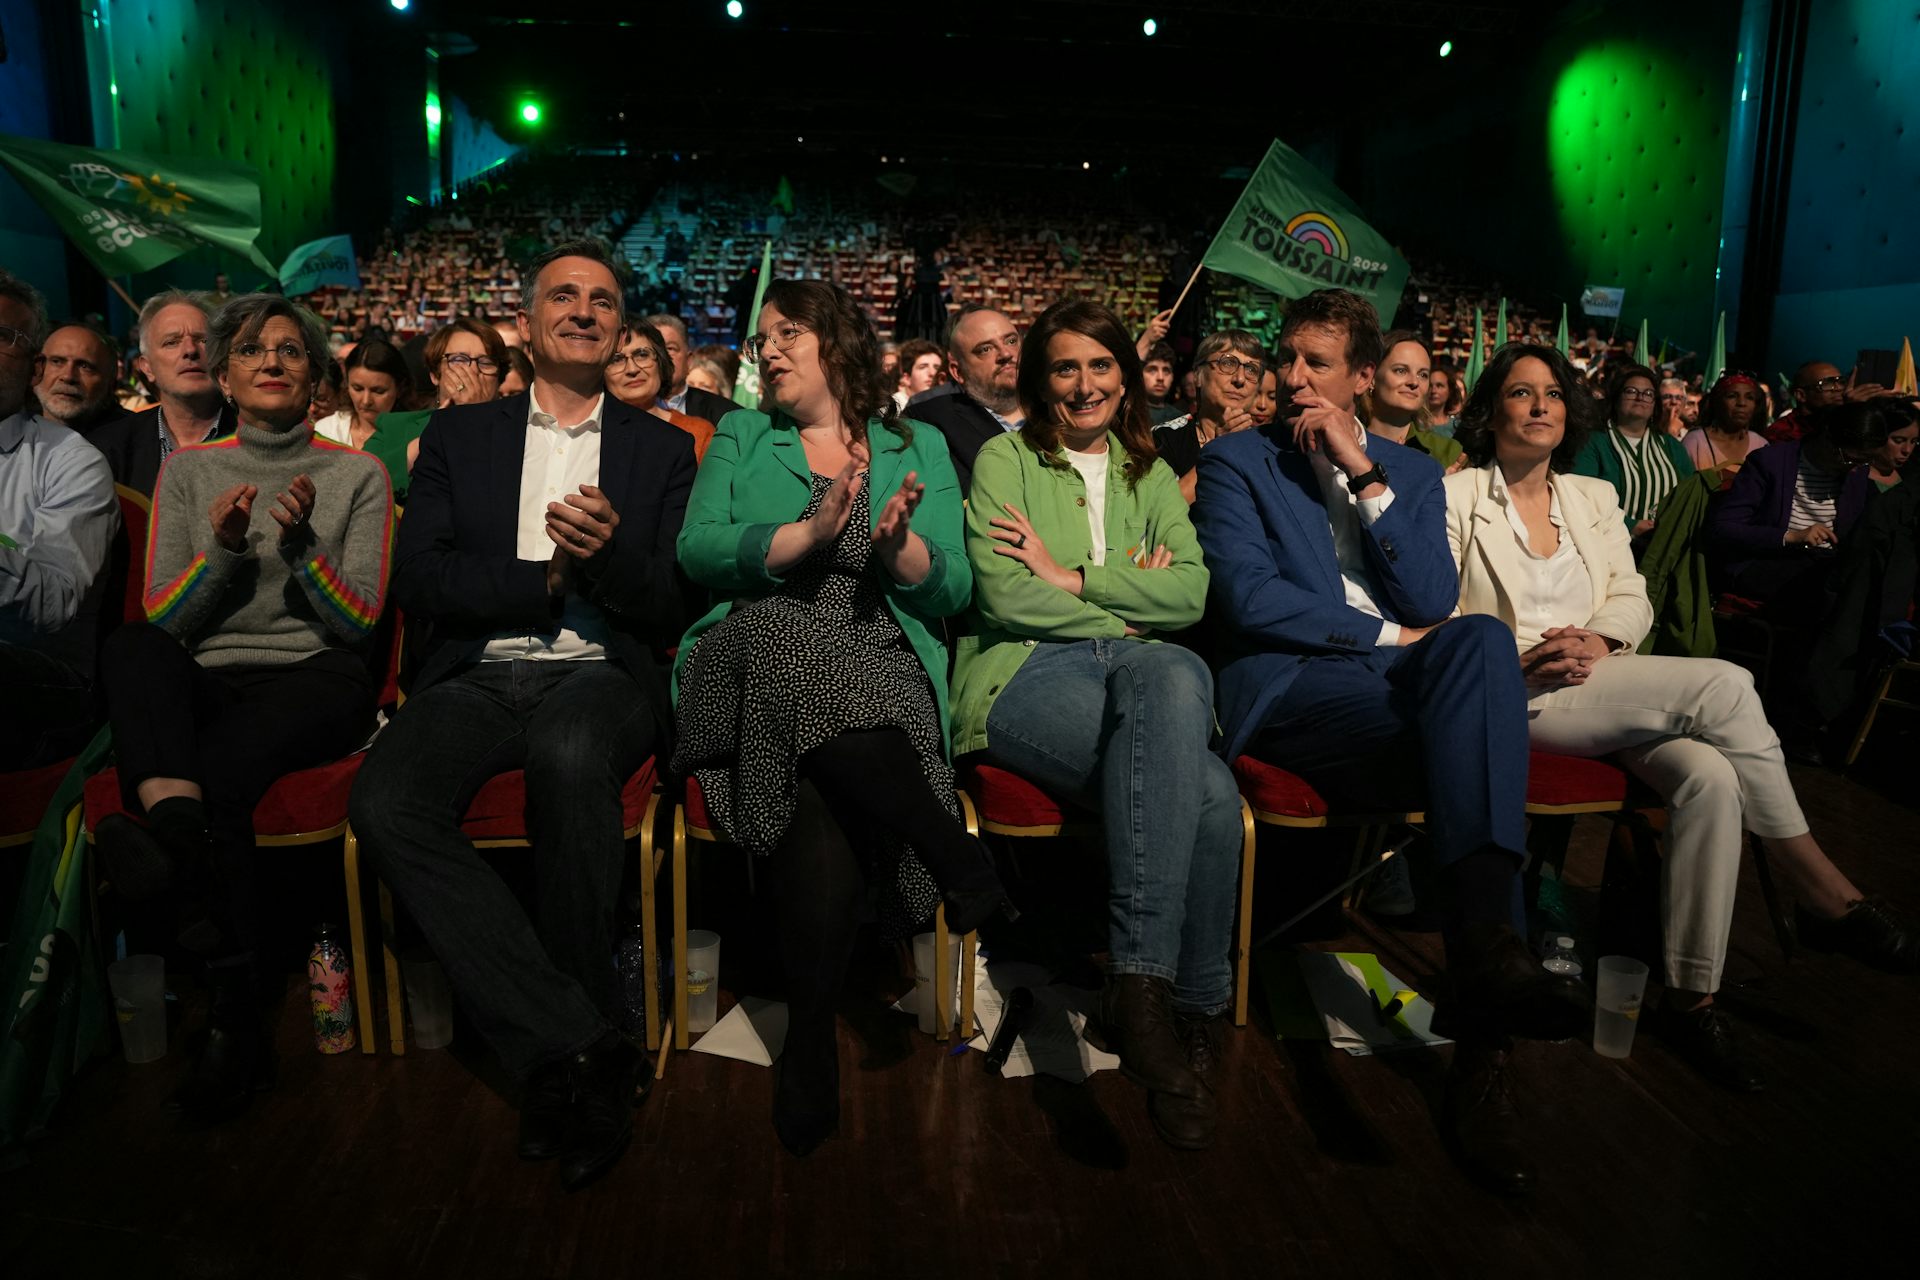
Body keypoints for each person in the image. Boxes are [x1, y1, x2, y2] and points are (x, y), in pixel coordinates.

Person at [1192, 288, 1586, 1196]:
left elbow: (1431, 603)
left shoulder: (1410, 475)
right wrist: (1385, 642)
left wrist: (1363, 472)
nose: (1290, 378)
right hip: (1299, 689)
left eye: (1315, 364)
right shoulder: (1236, 464)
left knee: (1480, 637)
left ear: (1363, 379)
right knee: (1478, 746)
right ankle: (1488, 991)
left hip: (1401, 697)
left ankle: (1483, 966)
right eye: (1285, 357)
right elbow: (1252, 603)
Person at [1443, 342, 1918, 1091]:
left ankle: (1693, 998)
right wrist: (1522, 655)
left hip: (1603, 672)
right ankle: (1823, 892)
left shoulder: (1591, 497)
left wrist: (1598, 636)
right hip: (1516, 688)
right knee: (1726, 684)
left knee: (1711, 779)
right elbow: (1440, 612)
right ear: (1489, 409)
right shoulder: (1457, 493)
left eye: (1553, 395)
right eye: (1520, 393)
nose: (1540, 406)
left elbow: (1635, 595)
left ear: (1569, 415)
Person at [350, 240, 695, 1191]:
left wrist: (610, 558)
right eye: (565, 296)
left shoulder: (662, 448)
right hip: (475, 670)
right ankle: (581, 1045)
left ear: (622, 329)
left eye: (603, 301)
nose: (585, 311)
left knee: (571, 755)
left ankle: (559, 1070)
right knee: (385, 801)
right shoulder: (462, 437)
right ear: (530, 323)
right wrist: (540, 578)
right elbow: (421, 578)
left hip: (602, 673)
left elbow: (670, 602)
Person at [674, 279, 992, 1158]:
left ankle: (808, 1045)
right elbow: (699, 550)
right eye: (763, 339)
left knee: (820, 786)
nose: (768, 351)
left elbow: (956, 587)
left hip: (880, 664)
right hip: (745, 661)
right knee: (781, 630)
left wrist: (898, 550)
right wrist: (808, 538)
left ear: (838, 346)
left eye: (788, 334)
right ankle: (953, 851)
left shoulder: (914, 441)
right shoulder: (744, 434)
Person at [93, 293, 390, 1121]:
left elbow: (358, 623)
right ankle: (184, 848)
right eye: (253, 351)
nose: (270, 363)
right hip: (211, 673)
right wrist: (224, 553)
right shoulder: (187, 471)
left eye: (290, 352)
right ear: (223, 374)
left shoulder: (356, 473)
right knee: (130, 648)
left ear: (316, 379)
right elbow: (164, 620)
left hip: (318, 678)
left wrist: (300, 553)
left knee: (217, 765)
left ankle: (233, 1018)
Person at [952, 299, 1238, 1151]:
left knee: (1216, 794)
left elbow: (1190, 593)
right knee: (1171, 668)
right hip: (1019, 674)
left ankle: (1175, 1010)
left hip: (1134, 678)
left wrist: (1074, 579)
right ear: (1042, 380)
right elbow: (1005, 595)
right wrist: (1123, 611)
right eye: (1066, 368)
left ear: (1128, 374)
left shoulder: (1150, 473)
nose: (1085, 385)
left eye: (1101, 365)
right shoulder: (1007, 460)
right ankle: (1166, 995)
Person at [0, 270, 120, 768]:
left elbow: (54, 603)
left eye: (3, 335)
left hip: (42, 677)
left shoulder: (70, 461)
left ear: (32, 369)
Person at [84, 291, 236, 496]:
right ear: (147, 368)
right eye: (172, 342)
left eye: (203, 340)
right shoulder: (109, 448)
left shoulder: (261, 437)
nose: (190, 350)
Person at [338, 318, 507, 502]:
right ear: (435, 374)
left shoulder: (515, 432)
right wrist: (438, 432)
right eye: (459, 360)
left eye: (486, 362)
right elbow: (359, 483)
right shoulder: (394, 426)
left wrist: (475, 419)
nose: (472, 371)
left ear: (500, 377)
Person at [1570, 363, 1695, 546]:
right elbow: (1580, 497)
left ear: (1654, 405)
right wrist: (1631, 525)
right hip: (1609, 544)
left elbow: (1691, 495)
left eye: (1648, 394)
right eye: (1631, 391)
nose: (1640, 398)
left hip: (1666, 547)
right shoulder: (1594, 442)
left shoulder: (1671, 446)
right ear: (1616, 398)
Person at [909, 306, 1025, 491]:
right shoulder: (929, 421)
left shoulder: (1061, 411)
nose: (1005, 354)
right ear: (958, 371)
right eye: (985, 349)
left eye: (1011, 341)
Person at [1153, 330, 1263, 503]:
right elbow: (1160, 512)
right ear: (1198, 376)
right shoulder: (1165, 438)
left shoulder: (1268, 448)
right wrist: (1218, 451)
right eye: (1227, 363)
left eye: (1251, 369)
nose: (1240, 379)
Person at [605, 321, 715, 462]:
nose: (632, 369)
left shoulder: (698, 434)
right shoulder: (590, 432)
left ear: (661, 362)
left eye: (642, 355)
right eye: (617, 359)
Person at [1366, 330, 1464, 471]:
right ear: (1371, 377)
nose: (1414, 382)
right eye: (1401, 370)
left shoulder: (1447, 452)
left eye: (1423, 375)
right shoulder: (1344, 443)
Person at [315, 338, 410, 454]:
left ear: (400, 388)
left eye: (378, 391)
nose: (366, 401)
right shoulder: (327, 431)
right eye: (357, 389)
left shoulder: (414, 438)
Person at [644, 312, 736, 425]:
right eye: (653, 349)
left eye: (670, 348)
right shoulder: (625, 408)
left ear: (689, 361)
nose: (662, 355)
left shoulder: (727, 415)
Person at [30, 324, 120, 434]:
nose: (68, 376)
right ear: (36, 370)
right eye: (56, 362)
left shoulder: (136, 440)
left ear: (110, 383)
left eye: (85, 367)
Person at [1681, 372, 1769, 476]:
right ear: (1717, 402)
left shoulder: (1761, 445)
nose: (1741, 403)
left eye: (1749, 397)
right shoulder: (1695, 443)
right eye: (1732, 396)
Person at [1867, 403, 1917, 491]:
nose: (1907, 450)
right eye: (1898, 441)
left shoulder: (1913, 472)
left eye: (1913, 441)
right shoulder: (1858, 481)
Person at [891, 337, 945, 410]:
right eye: (923, 367)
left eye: (937, 368)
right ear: (906, 378)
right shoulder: (890, 411)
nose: (932, 373)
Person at [1141, 340, 1183, 424]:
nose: (1160, 378)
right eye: (1152, 370)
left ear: (1172, 377)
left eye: (1166, 371)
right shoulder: (1129, 413)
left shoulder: (1179, 419)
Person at [1426, 362, 1463, 437]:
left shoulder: (1458, 426)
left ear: (1450, 391)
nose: (1433, 391)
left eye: (1439, 386)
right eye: (1430, 386)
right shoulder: (1415, 424)